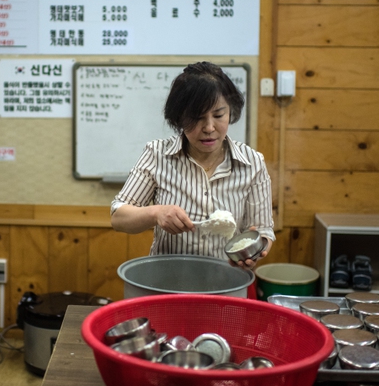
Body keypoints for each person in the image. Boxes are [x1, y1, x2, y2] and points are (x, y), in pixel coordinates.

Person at [110, 62, 274, 270]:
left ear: (231, 112)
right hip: (168, 281)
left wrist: (254, 251)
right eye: (197, 118)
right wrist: (156, 213)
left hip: (227, 281)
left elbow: (263, 231)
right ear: (179, 117)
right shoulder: (157, 154)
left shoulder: (252, 162)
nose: (209, 128)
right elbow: (118, 218)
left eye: (218, 115)